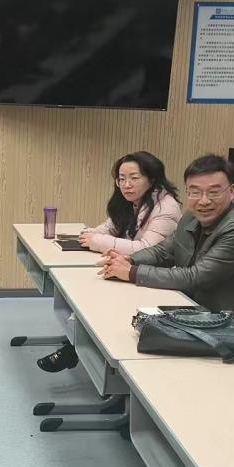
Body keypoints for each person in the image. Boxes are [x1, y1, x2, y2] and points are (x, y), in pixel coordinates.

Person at [38, 151, 183, 372]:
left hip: (152, 278)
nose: (126, 185)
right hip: (128, 268)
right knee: (84, 287)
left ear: (152, 179)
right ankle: (75, 344)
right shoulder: (131, 201)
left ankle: (76, 349)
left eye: (134, 178)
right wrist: (90, 235)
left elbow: (146, 248)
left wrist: (97, 241)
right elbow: (109, 228)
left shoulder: (166, 207)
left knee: (96, 296)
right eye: (121, 179)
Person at [98, 154, 234, 318]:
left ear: (232, 191)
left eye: (213, 192)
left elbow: (195, 277)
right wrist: (129, 260)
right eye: (195, 192)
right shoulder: (191, 216)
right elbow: (164, 251)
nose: (204, 201)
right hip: (198, 310)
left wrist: (132, 272)